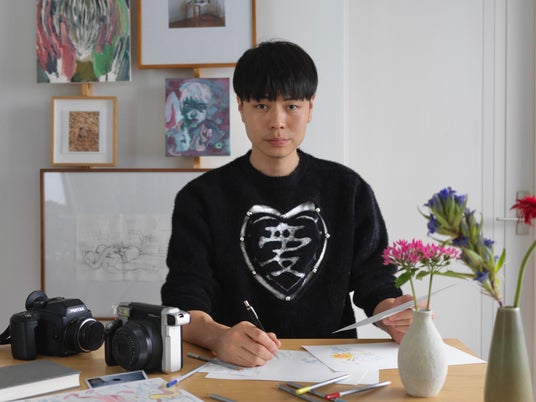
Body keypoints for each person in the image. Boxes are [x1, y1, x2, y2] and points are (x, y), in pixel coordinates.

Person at [162, 40, 414, 368]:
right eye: (261, 105)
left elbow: (375, 281)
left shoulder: (348, 190)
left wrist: (393, 314)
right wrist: (219, 337)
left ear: (311, 107)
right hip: (235, 369)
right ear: (240, 107)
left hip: (331, 367)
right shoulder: (201, 198)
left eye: (292, 106)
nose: (277, 121)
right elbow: (184, 300)